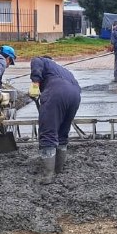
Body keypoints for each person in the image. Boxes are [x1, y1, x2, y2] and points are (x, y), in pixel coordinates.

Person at [29, 56, 82, 184]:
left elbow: (36, 60)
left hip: (56, 92)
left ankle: (48, 175)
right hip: (75, 95)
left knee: (48, 132)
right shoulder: (64, 70)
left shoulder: (44, 61)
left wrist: (35, 83)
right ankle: (59, 168)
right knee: (62, 132)